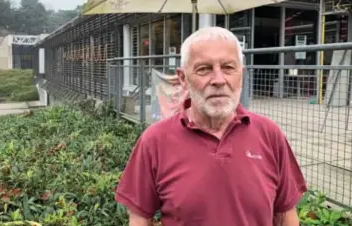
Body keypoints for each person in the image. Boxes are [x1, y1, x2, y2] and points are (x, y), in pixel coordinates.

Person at [115, 26, 307, 226]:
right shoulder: (155, 141)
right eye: (204, 69)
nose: (218, 80)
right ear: (183, 79)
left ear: (241, 74)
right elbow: (140, 219)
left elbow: (285, 215)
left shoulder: (269, 135)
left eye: (228, 68)